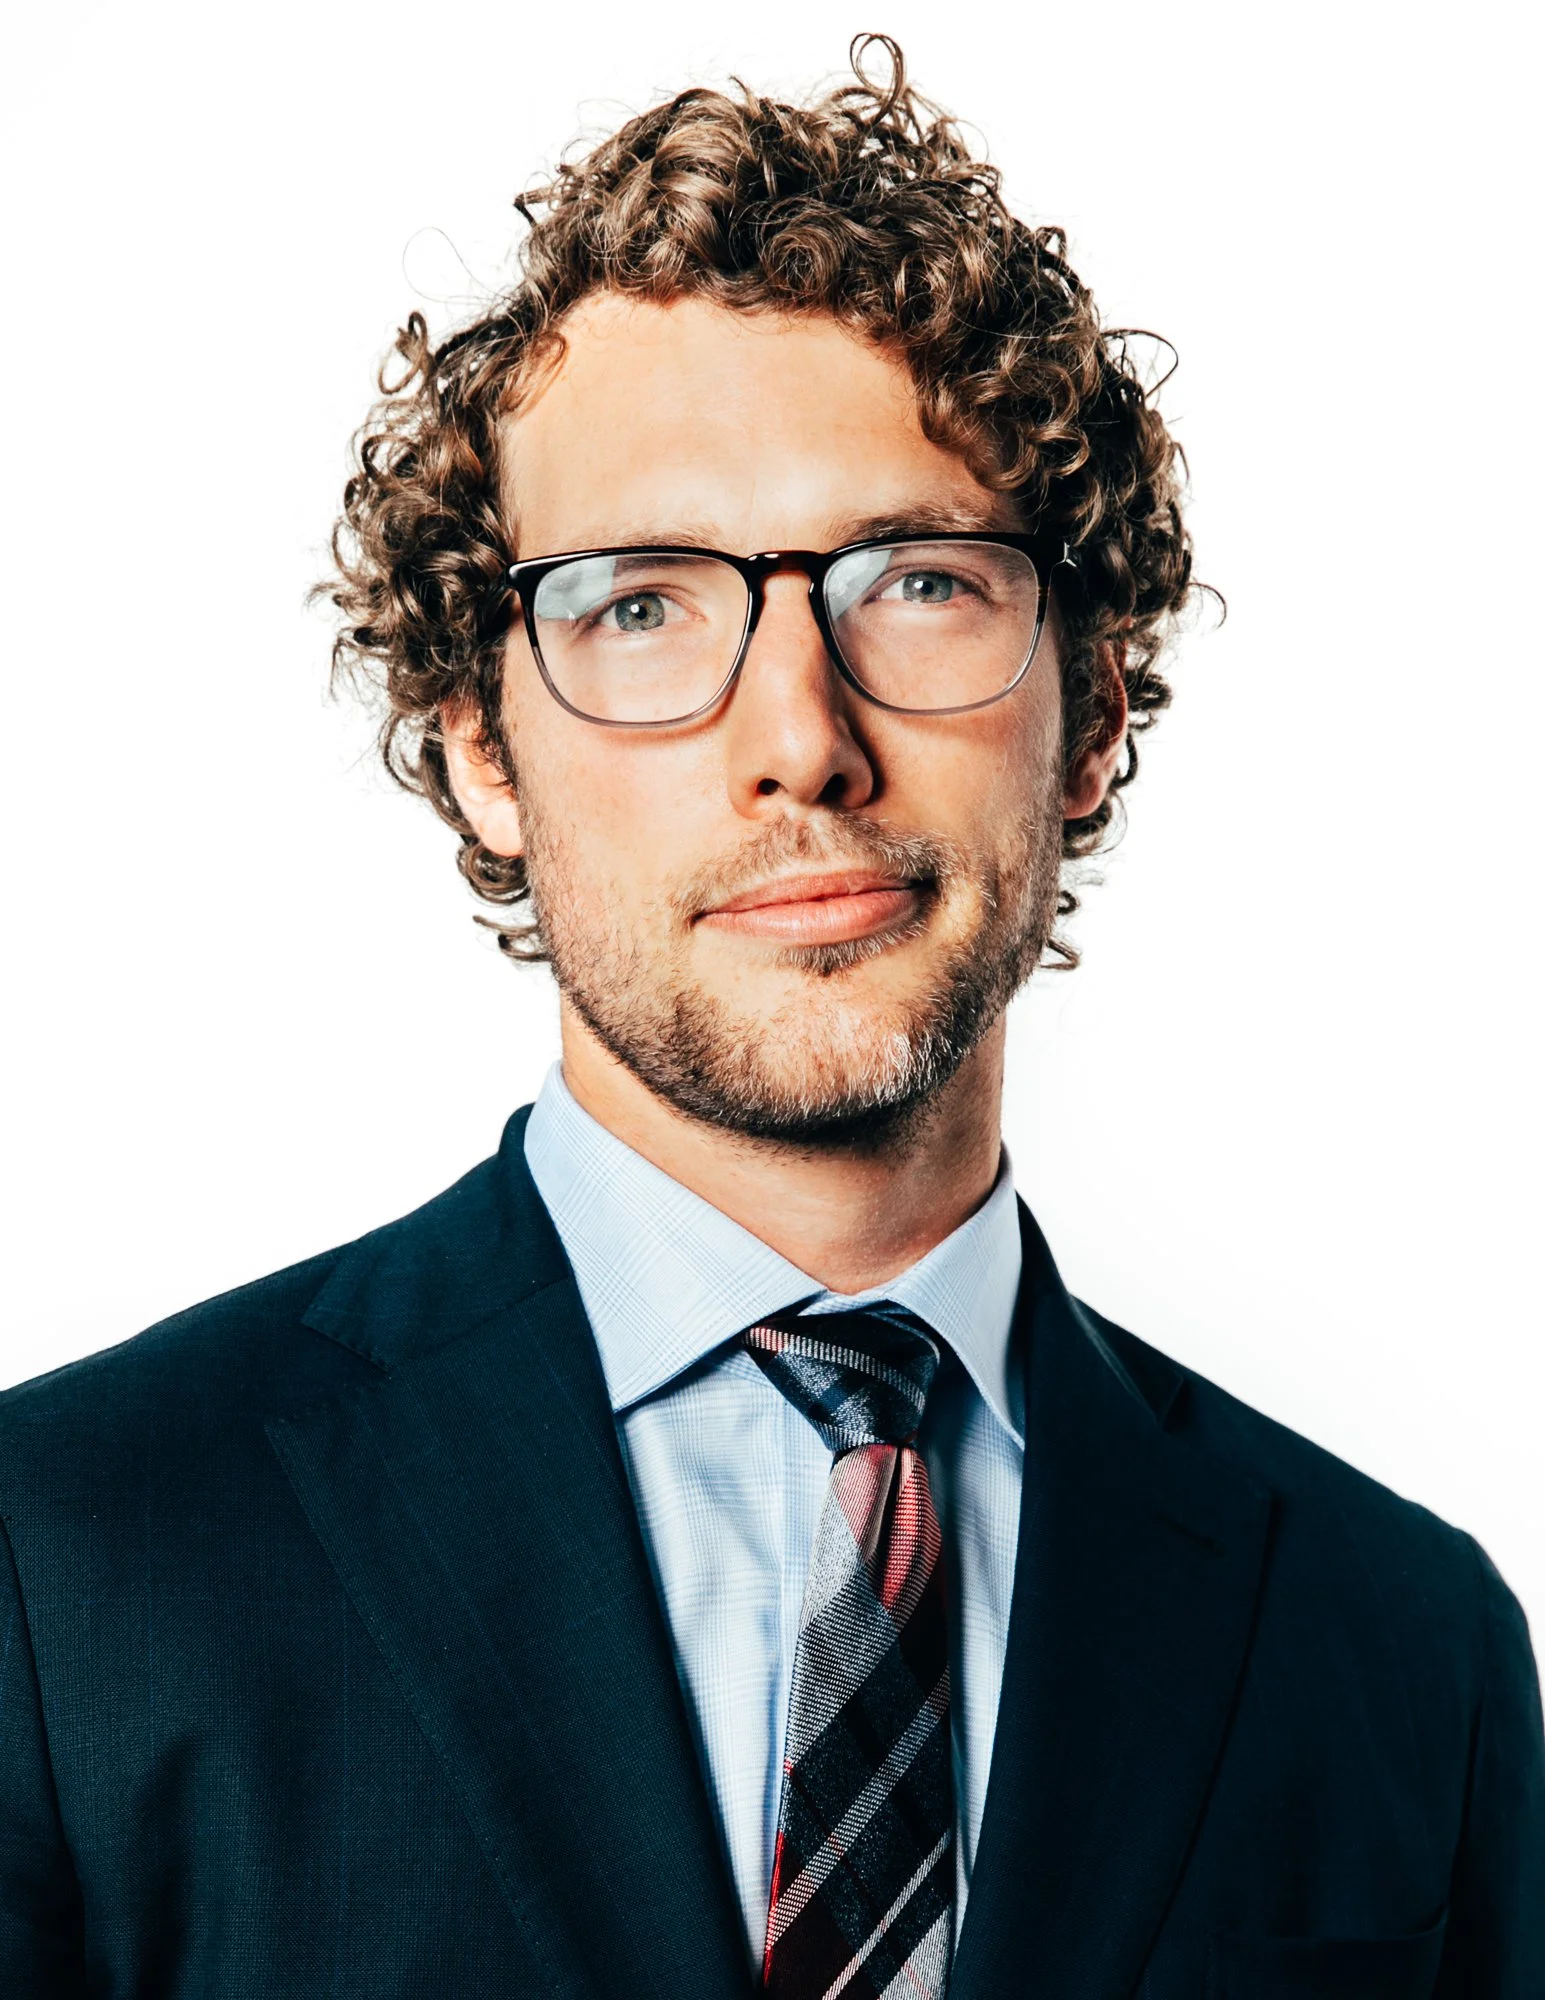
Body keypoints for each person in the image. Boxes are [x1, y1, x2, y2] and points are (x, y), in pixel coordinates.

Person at [2, 36, 1540, 1999]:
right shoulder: (64, 1574)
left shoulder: (1402, 1648)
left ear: (1097, 706)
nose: (800, 739)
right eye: (640, 605)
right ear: (480, 746)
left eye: (915, 582)